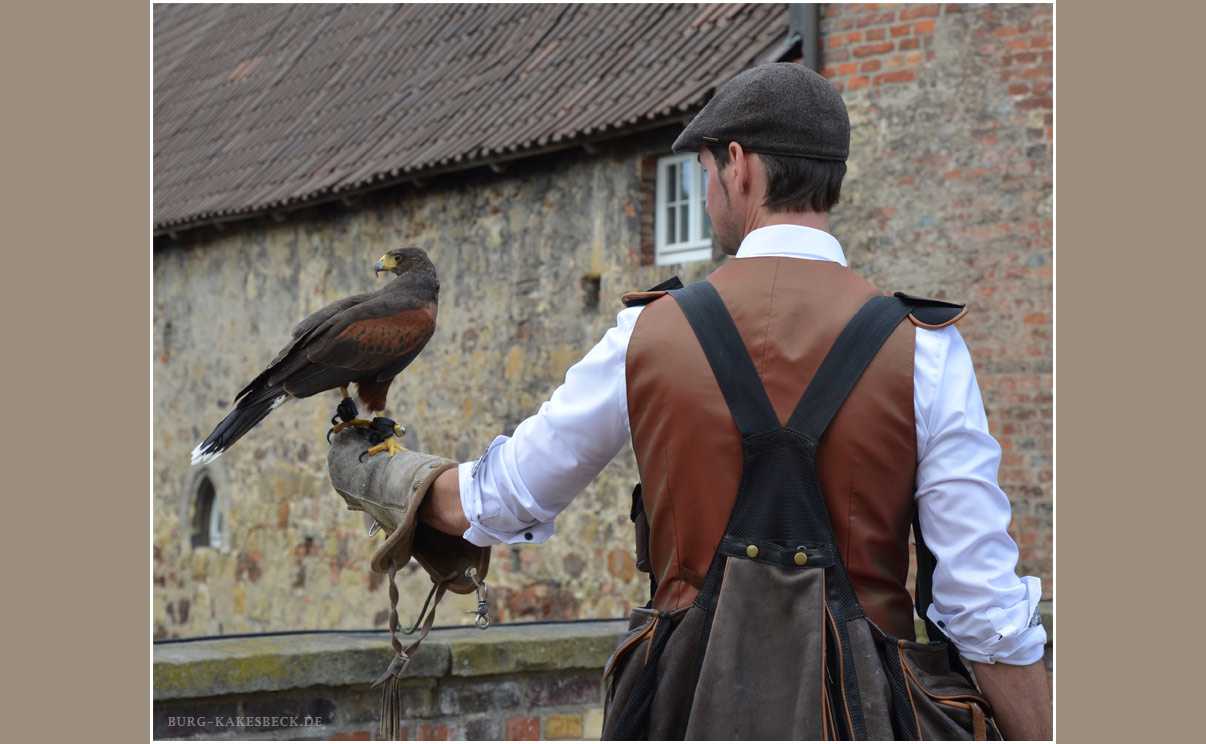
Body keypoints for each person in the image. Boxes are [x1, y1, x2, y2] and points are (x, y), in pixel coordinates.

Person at [329, 63, 1052, 739]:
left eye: (704, 170)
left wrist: (385, 476)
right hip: (870, 716)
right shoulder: (925, 347)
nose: (707, 192)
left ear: (738, 166)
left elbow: (498, 499)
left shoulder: (647, 333)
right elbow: (984, 615)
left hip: (681, 709)